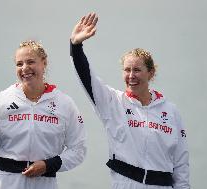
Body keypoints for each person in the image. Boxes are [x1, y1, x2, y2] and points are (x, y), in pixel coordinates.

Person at [70, 13, 190, 189]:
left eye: (137, 70)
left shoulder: (171, 112)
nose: (131, 76)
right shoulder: (112, 103)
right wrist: (75, 46)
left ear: (151, 73)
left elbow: (181, 163)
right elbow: (87, 78)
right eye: (127, 70)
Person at [0, 40, 86, 189]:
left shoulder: (65, 104)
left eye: (31, 62)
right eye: (19, 64)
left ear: (44, 63)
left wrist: (48, 165)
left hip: (44, 183)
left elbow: (78, 150)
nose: (25, 68)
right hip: (6, 183)